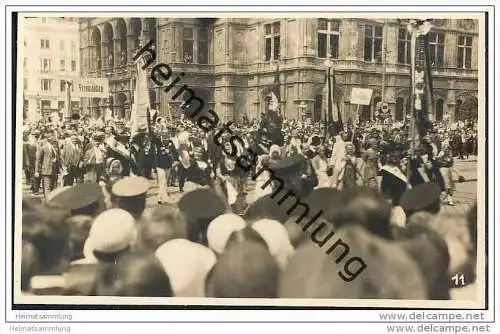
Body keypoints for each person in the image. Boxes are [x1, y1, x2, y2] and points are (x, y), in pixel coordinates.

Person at [34, 129, 61, 199]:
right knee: (47, 188)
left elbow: (59, 158)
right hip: (46, 170)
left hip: (54, 170)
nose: (55, 138)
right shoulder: (43, 147)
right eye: (54, 136)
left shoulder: (55, 147)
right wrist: (36, 171)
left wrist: (60, 168)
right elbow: (38, 160)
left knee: (54, 187)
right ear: (49, 138)